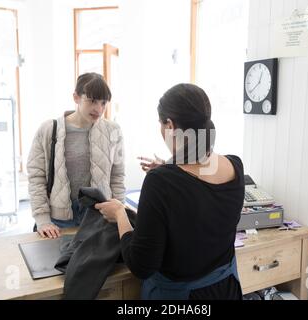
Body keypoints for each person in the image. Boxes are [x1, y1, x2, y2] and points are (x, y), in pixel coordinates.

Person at [96, 83, 245, 300]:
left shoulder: (161, 182)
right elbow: (201, 200)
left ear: (170, 125)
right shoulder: (235, 165)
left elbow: (141, 265)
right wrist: (169, 168)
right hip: (227, 291)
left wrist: (119, 213)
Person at [27, 73, 125, 239]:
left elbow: (117, 176)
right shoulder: (48, 129)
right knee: (52, 263)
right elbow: (36, 177)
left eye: (103, 103)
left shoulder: (113, 130)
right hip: (59, 219)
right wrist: (42, 219)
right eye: (92, 101)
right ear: (76, 97)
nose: (99, 109)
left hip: (98, 215)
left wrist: (118, 213)